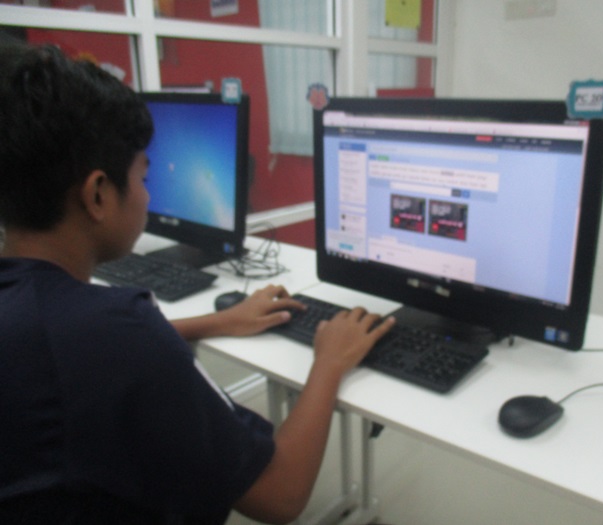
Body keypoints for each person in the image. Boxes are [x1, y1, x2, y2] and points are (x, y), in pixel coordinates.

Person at [0, 42, 395, 525]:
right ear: (98, 194)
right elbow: (281, 494)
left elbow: (73, 349)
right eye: (144, 179)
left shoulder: (45, 313)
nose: (148, 197)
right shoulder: (121, 330)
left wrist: (217, 321)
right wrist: (329, 363)